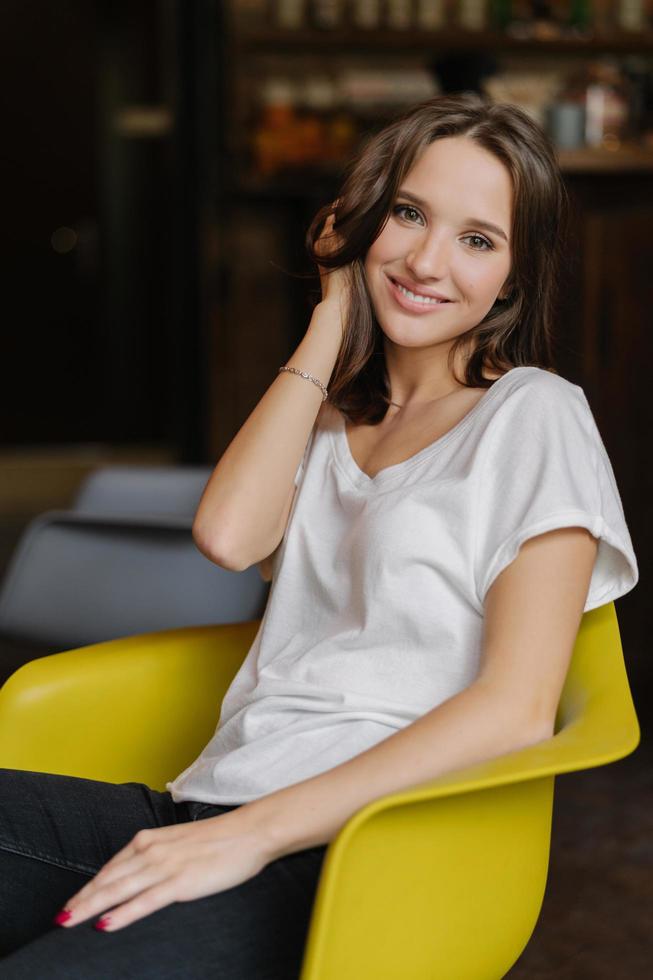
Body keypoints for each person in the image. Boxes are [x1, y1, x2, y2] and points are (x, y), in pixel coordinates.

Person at [0, 93, 638, 977]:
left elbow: (517, 708)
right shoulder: (329, 417)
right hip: (203, 805)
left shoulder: (533, 415)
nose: (424, 260)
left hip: (348, 852)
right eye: (408, 214)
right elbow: (226, 536)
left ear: (513, 278)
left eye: (476, 239)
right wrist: (334, 310)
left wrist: (250, 839)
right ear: (365, 220)